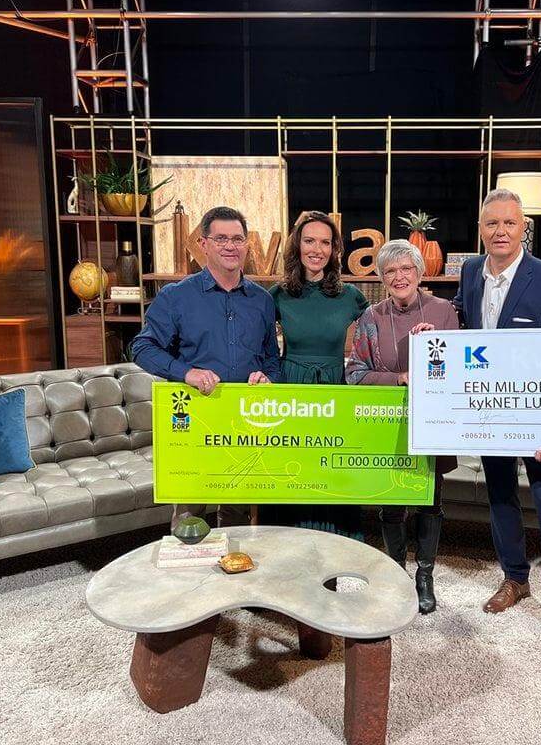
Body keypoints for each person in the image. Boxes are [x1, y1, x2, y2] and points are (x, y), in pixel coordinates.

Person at [452, 188, 541, 658]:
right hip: (489, 411)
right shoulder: (470, 271)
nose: (500, 232)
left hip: (538, 414)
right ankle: (515, 578)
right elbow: (463, 326)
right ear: (481, 229)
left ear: (523, 228)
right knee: (500, 496)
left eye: (509, 223)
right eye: (492, 223)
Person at [130, 205, 281, 525]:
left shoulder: (263, 300)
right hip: (193, 420)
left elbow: (271, 359)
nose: (230, 246)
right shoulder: (176, 297)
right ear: (204, 244)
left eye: (237, 239)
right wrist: (186, 372)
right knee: (189, 513)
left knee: (238, 513)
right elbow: (141, 347)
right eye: (221, 238)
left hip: (244, 423)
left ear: (246, 244)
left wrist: (267, 377)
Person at [346, 239, 459, 614]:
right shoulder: (371, 317)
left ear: (420, 272)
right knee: (392, 505)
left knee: (430, 503)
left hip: (433, 422)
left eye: (406, 269)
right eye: (390, 271)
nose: (399, 277)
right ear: (381, 278)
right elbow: (355, 374)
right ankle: (395, 573)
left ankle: (425, 576)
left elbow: (457, 371)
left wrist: (431, 351)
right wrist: (398, 378)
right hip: (387, 424)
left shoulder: (443, 311)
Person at [264, 210, 369, 538]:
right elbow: (259, 345)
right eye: (309, 241)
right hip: (291, 386)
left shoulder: (350, 296)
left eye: (325, 242)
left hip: (335, 387)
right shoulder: (278, 295)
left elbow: (379, 332)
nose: (317, 249)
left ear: (334, 249)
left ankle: (336, 540)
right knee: (293, 467)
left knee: (332, 465)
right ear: (297, 246)